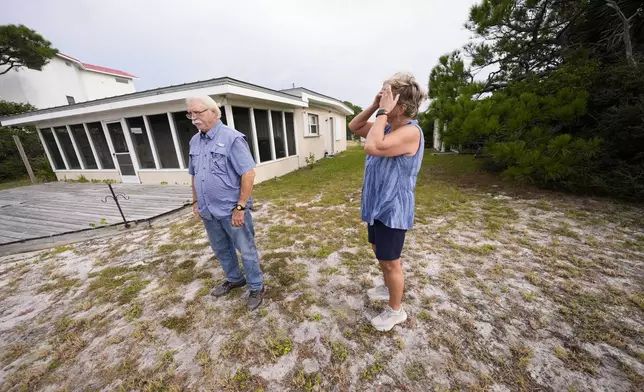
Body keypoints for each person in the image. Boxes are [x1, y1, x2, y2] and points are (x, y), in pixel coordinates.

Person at [348, 73, 426, 331]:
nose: (384, 99)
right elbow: (355, 128)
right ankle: (387, 286)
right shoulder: (388, 126)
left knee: (391, 260)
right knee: (377, 247)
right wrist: (374, 106)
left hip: (393, 207)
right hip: (376, 202)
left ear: (400, 107)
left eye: (389, 97)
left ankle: (396, 311)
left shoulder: (410, 132)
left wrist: (382, 112)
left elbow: (372, 146)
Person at [187, 96, 265, 310]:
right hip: (208, 211)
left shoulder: (232, 138)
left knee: (246, 249)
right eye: (190, 114)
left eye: (198, 112)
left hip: (232, 211)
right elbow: (194, 175)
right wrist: (195, 200)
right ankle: (234, 278)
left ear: (213, 112)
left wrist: (240, 206)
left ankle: (256, 286)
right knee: (221, 248)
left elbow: (248, 174)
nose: (193, 118)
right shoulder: (194, 141)